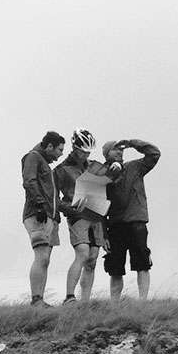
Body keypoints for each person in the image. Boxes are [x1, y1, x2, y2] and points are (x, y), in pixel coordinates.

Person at [55, 128, 110, 304]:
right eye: (82, 151)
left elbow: (103, 192)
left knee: (93, 258)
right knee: (83, 253)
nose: (85, 155)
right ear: (74, 148)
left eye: (88, 152)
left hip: (96, 215)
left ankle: (85, 301)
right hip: (77, 216)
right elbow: (54, 199)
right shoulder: (61, 170)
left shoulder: (94, 166)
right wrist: (70, 208)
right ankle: (70, 297)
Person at [102, 137, 161, 300]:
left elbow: (154, 153)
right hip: (114, 226)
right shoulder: (101, 175)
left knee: (142, 263)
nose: (120, 151)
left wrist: (133, 143)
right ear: (106, 154)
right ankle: (114, 305)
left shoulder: (135, 167)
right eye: (115, 149)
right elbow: (98, 206)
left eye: (122, 149)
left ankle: (142, 302)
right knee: (115, 268)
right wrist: (103, 234)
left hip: (136, 222)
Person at [21, 131, 65, 306]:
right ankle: (36, 299)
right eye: (59, 150)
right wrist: (39, 204)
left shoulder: (46, 165)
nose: (61, 154)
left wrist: (69, 209)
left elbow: (53, 198)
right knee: (42, 256)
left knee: (45, 258)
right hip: (38, 214)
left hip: (51, 217)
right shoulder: (33, 157)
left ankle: (40, 300)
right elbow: (29, 181)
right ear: (49, 146)